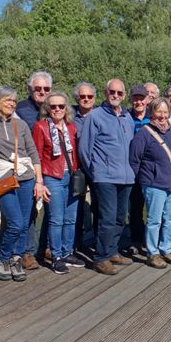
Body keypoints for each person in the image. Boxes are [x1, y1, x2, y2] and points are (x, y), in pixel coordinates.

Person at [0, 86, 48, 282]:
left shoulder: (20, 125)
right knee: (15, 223)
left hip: (26, 177)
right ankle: (3, 259)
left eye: (14, 100)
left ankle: (16, 259)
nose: (12, 104)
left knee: (24, 223)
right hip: (4, 179)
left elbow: (32, 152)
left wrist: (39, 181)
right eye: (7, 100)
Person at [78, 78, 135, 275]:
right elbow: (84, 150)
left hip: (126, 177)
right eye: (112, 92)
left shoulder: (127, 117)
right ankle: (100, 257)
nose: (115, 95)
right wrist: (96, 172)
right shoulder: (95, 116)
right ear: (106, 92)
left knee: (120, 218)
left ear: (124, 95)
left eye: (119, 93)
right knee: (107, 218)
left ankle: (112, 250)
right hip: (105, 177)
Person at [32, 91, 85, 274]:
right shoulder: (40, 127)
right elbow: (37, 156)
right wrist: (39, 182)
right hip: (52, 177)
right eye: (53, 106)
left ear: (66, 108)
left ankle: (67, 252)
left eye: (61, 106)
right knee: (56, 219)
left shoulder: (71, 127)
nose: (57, 109)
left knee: (71, 218)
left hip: (71, 176)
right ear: (47, 108)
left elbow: (75, 153)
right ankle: (56, 256)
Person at [129, 97, 171, 269]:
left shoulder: (170, 131)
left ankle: (167, 249)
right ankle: (153, 253)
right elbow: (134, 160)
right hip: (154, 183)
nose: (162, 115)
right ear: (152, 113)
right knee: (154, 220)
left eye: (165, 112)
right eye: (159, 111)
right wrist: (145, 179)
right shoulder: (144, 133)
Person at [17, 71, 54, 270]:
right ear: (30, 89)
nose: (42, 92)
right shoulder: (20, 109)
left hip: (52, 166)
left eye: (46, 88)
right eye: (37, 88)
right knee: (29, 211)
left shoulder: (55, 106)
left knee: (52, 208)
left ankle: (45, 247)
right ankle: (27, 252)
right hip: (30, 167)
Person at [71, 81, 97, 255]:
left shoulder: (101, 116)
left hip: (97, 168)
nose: (86, 99)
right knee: (76, 207)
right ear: (77, 98)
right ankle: (75, 244)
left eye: (89, 96)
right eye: (82, 96)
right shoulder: (70, 117)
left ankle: (99, 241)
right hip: (78, 169)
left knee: (99, 206)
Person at [128, 84, 151, 255]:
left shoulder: (153, 117)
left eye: (141, 98)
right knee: (135, 208)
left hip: (150, 169)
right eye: (135, 98)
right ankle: (136, 240)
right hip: (132, 169)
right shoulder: (125, 117)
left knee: (153, 208)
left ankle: (151, 241)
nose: (138, 102)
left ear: (147, 99)